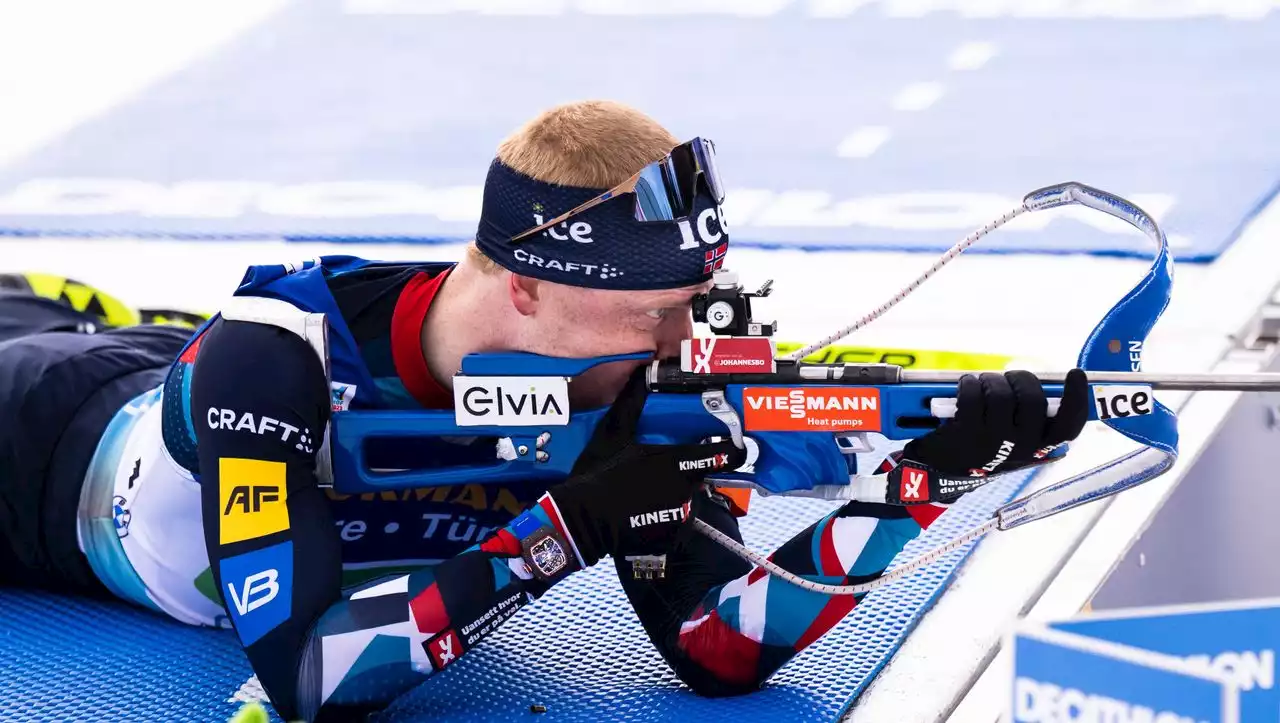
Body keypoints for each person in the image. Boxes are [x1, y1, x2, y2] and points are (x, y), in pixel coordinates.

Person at [0, 100, 1090, 722]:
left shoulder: (632, 382)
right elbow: (308, 679)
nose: (680, 348)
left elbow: (718, 649)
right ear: (523, 287)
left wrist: (923, 482)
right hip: (38, 444)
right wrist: (568, 528)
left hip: (136, 363)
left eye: (693, 309)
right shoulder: (273, 362)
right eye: (655, 314)